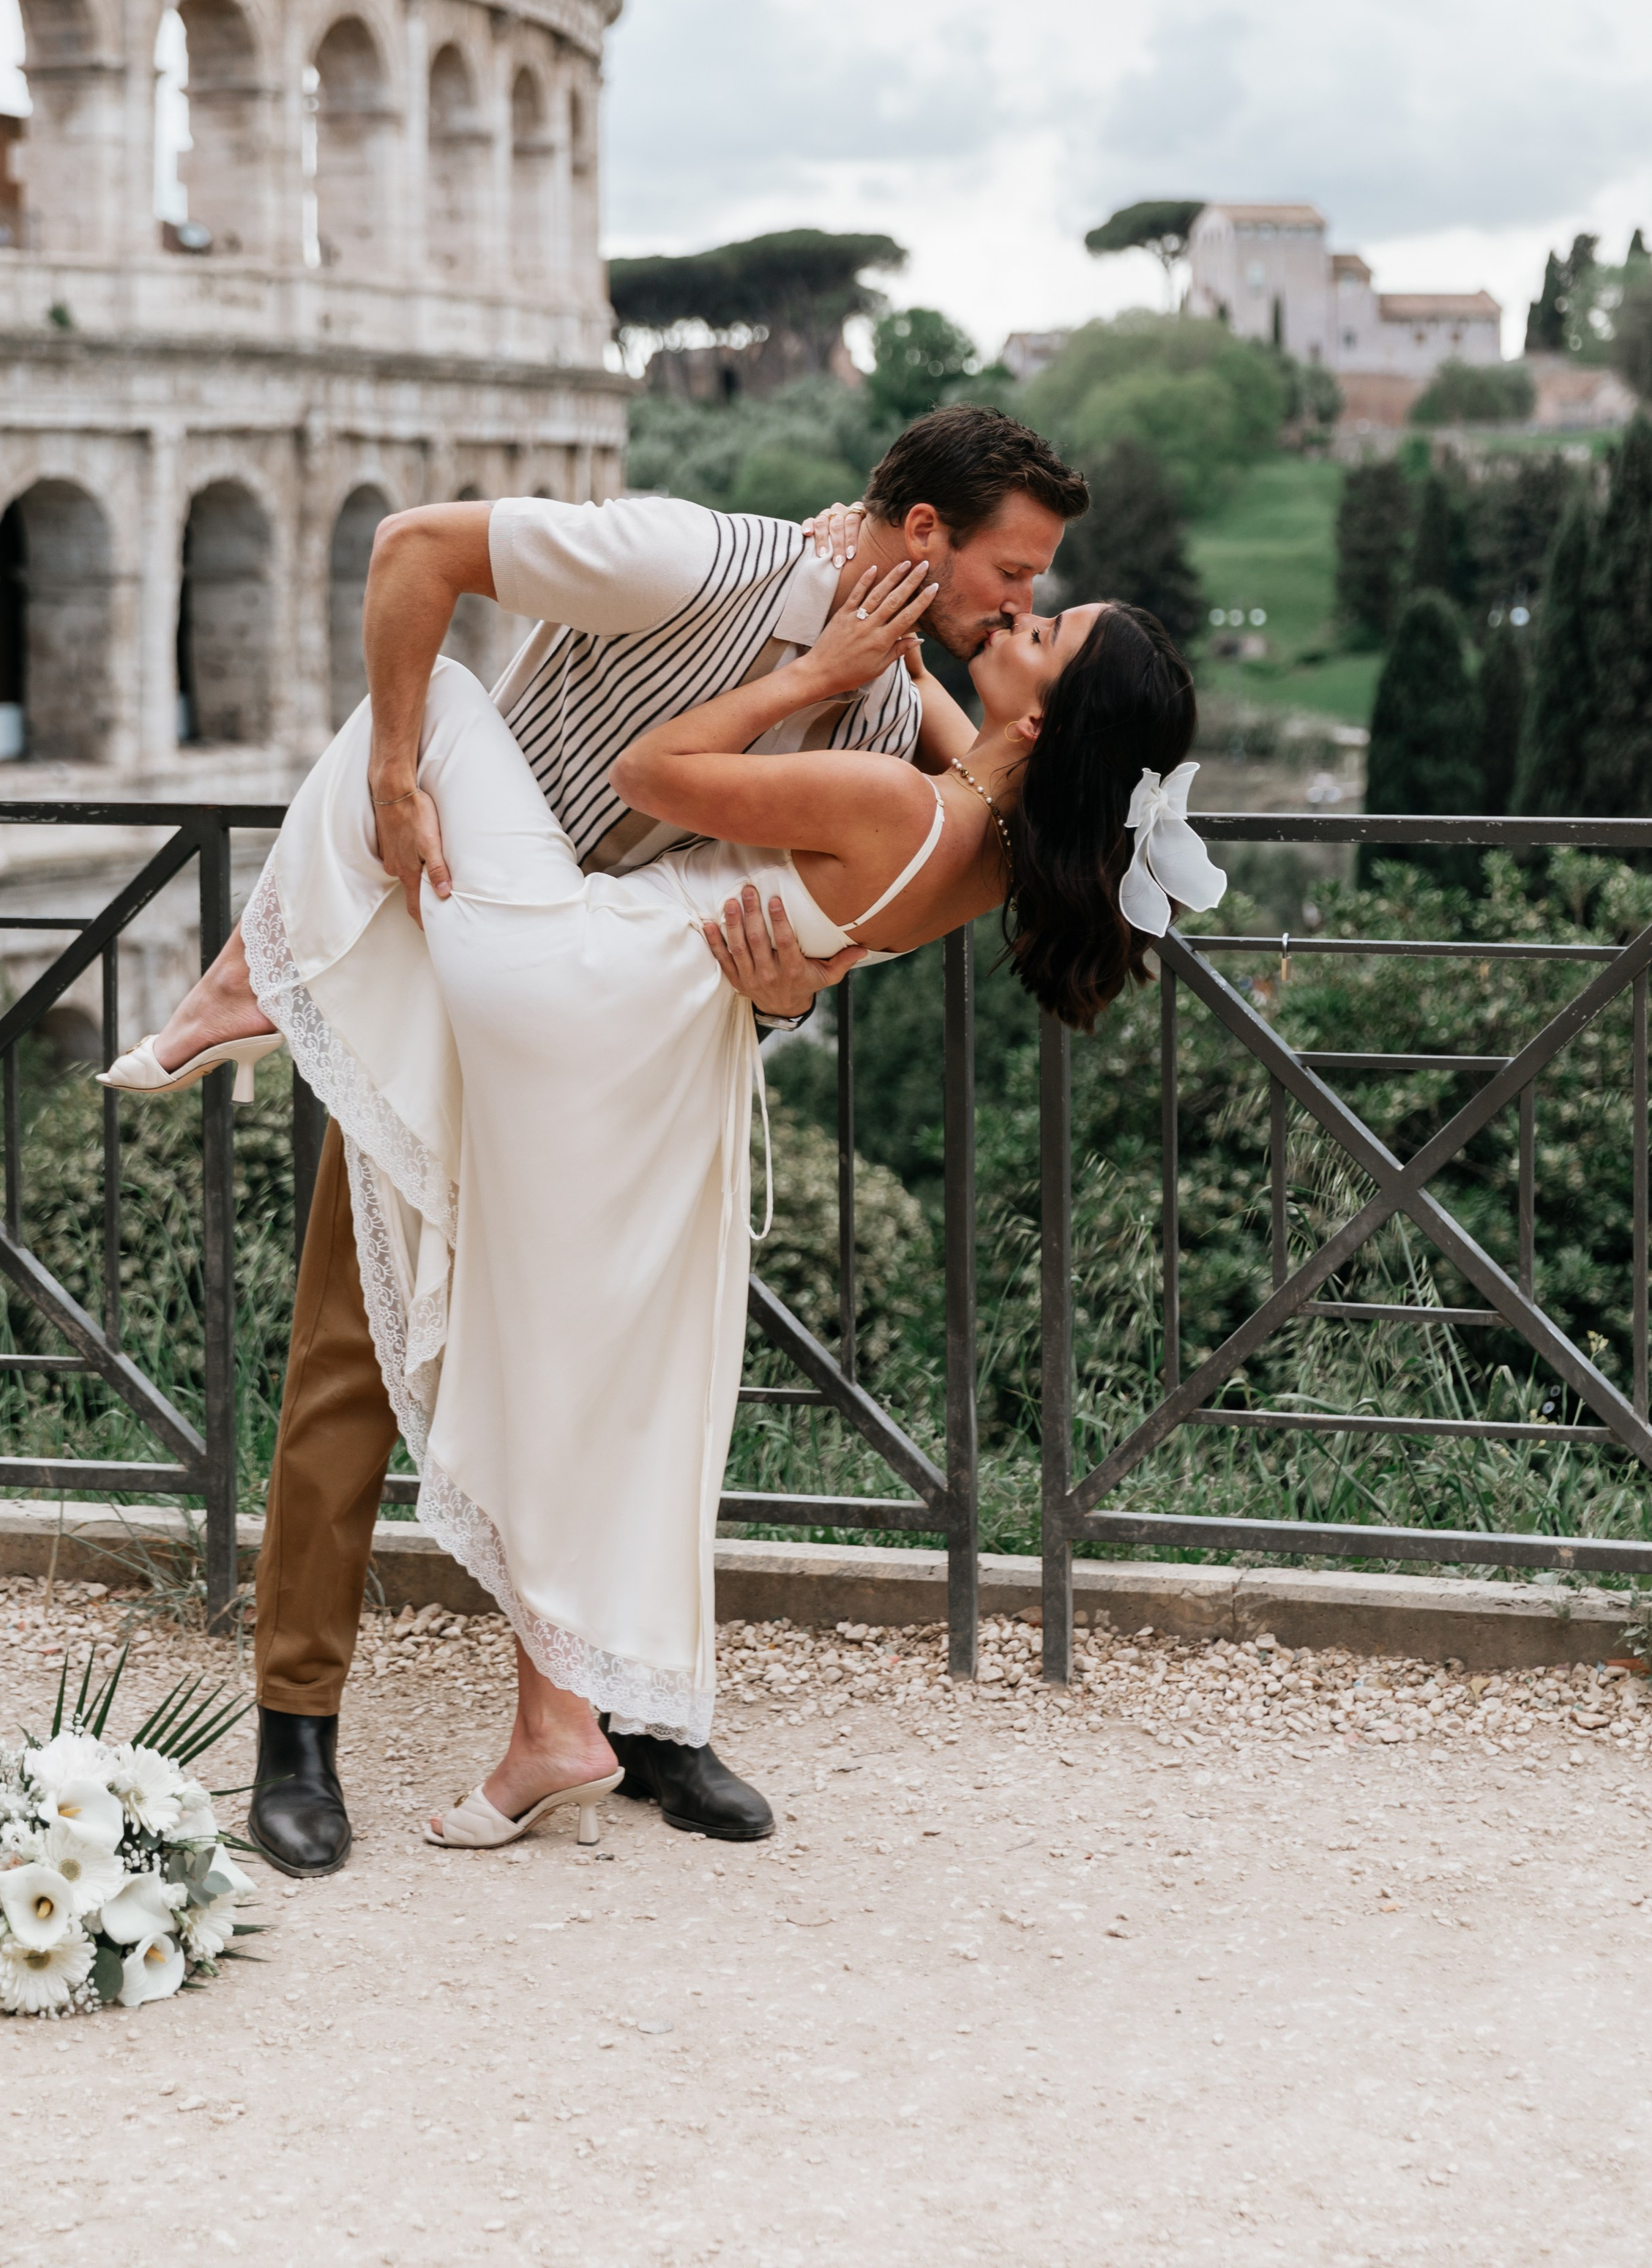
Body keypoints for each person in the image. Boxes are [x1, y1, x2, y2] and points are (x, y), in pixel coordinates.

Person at [102, 407, 1095, 1869]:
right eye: (1016, 571)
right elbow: (418, 553)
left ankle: (637, 1718)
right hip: (462, 969)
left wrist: (785, 998)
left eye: (1041, 598)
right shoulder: (690, 556)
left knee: (635, 1385)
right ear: (928, 537)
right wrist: (392, 766)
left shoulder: (890, 726)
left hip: (633, 1055)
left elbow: (831, 920)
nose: (1021, 603)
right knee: (346, 1367)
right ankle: (294, 1735)